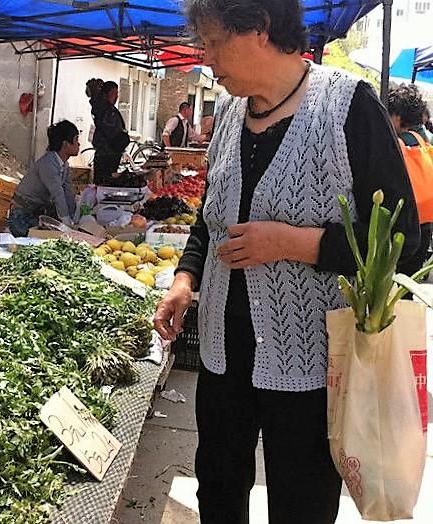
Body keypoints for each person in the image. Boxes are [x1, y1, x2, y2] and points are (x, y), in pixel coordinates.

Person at [153, 1, 420, 523]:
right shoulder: (230, 114)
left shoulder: (348, 106)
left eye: (213, 42)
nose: (206, 58)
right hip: (222, 354)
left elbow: (402, 238)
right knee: (220, 487)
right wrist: (186, 279)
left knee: (301, 502)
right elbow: (211, 219)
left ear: (259, 28)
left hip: (309, 360)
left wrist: (298, 244)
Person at [388, 84, 433, 270]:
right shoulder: (423, 142)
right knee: (408, 286)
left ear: (397, 117)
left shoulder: (396, 144)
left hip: (405, 223)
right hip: (426, 221)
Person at [8, 120, 80, 237]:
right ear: (65, 143)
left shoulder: (64, 165)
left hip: (39, 211)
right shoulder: (48, 164)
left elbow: (68, 193)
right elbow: (58, 194)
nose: (78, 144)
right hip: (22, 216)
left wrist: (74, 218)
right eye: (76, 139)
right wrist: (67, 224)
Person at [90, 81, 130, 185]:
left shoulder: (107, 108)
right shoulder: (105, 109)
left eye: (117, 93)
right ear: (106, 94)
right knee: (105, 181)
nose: (116, 96)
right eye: (113, 93)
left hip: (112, 153)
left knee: (108, 180)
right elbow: (110, 131)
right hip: (107, 153)